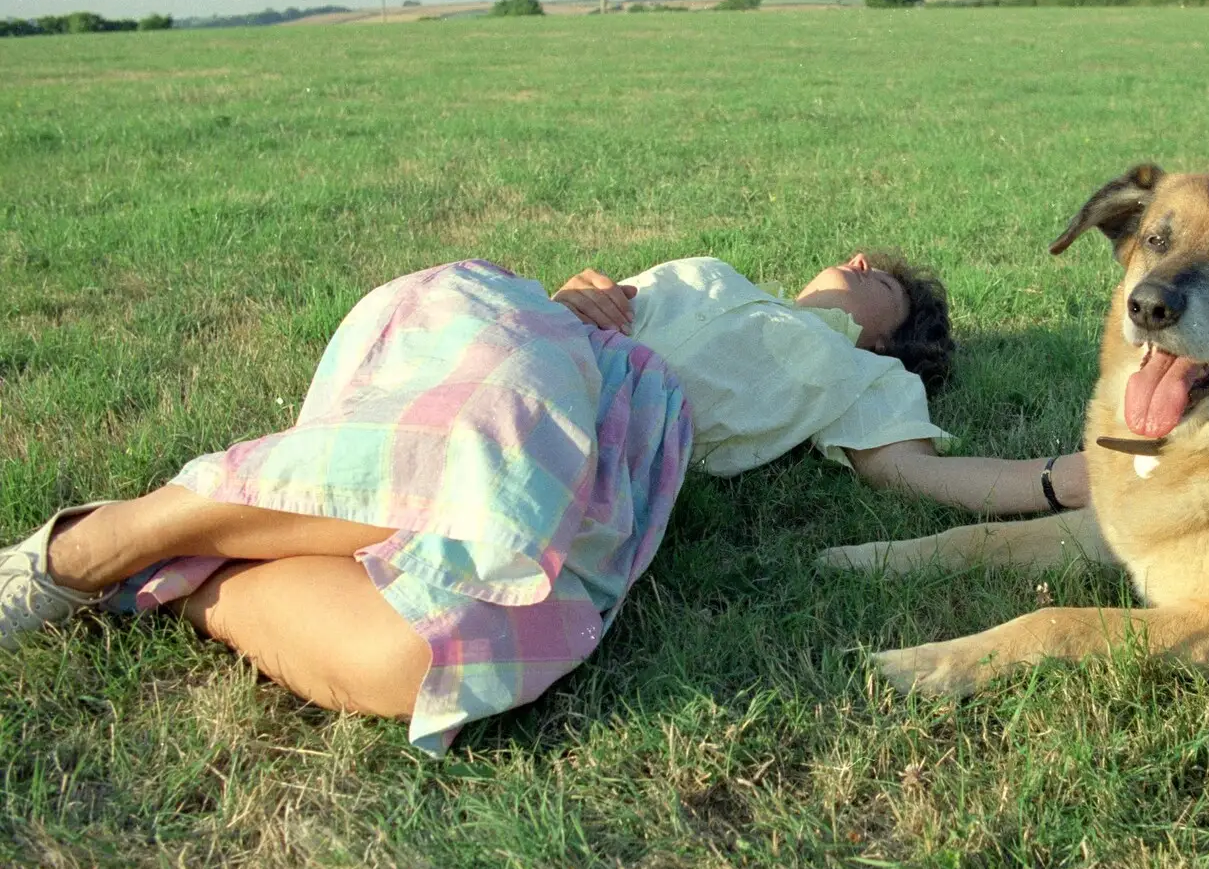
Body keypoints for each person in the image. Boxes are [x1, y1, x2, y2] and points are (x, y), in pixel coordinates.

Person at [0, 252, 1088, 753]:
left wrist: (1056, 482)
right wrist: (572, 296)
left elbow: (920, 475)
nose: (856, 261)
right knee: (495, 441)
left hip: (610, 437)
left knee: (436, 660)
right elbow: (556, 308)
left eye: (881, 281)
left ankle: (173, 564)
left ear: (892, 333)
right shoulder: (710, 275)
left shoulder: (864, 378)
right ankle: (105, 543)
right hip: (515, 349)